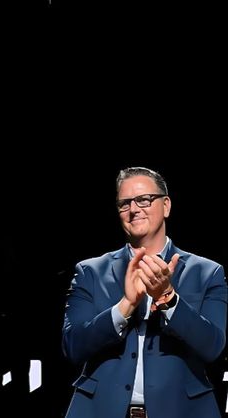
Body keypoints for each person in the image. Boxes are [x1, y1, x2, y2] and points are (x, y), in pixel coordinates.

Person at [62, 166, 227, 418]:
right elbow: (73, 347)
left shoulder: (207, 272)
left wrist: (169, 299)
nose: (134, 209)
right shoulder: (90, 271)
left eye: (144, 199)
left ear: (166, 205)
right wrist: (125, 306)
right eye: (124, 203)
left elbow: (213, 346)